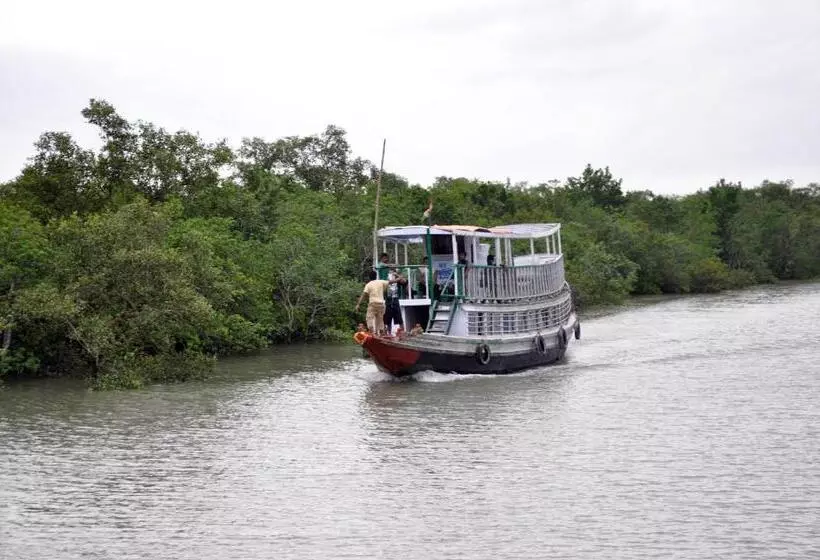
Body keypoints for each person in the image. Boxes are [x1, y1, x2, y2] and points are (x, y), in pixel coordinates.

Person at [355, 270, 401, 335]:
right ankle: (381, 332)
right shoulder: (381, 282)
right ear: (376, 276)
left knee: (369, 317)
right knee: (380, 319)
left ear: (369, 277)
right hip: (381, 304)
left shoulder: (368, 285)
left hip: (373, 303)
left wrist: (358, 304)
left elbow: (363, 295)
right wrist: (398, 276)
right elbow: (394, 281)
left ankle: (371, 332)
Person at [383, 270, 405, 335]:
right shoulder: (385, 278)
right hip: (388, 299)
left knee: (399, 317)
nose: (391, 273)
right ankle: (388, 333)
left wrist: (397, 275)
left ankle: (402, 332)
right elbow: (388, 283)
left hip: (395, 299)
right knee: (388, 317)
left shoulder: (397, 278)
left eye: (392, 272)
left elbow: (404, 281)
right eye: (390, 272)